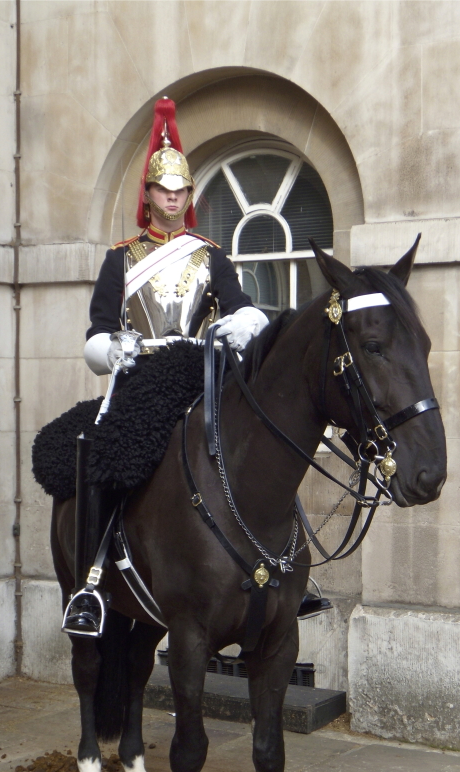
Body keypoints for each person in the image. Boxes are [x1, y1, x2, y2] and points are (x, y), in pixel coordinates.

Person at [63, 98, 329, 638]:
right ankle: (91, 584)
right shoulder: (122, 257)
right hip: (143, 376)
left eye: (182, 191)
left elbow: (242, 306)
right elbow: (95, 332)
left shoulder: (210, 255)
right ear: (149, 195)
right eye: (164, 190)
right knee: (108, 454)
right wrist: (113, 351)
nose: (173, 199)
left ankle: (289, 572)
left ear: (189, 195)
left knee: (261, 450)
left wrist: (244, 323)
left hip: (204, 374)